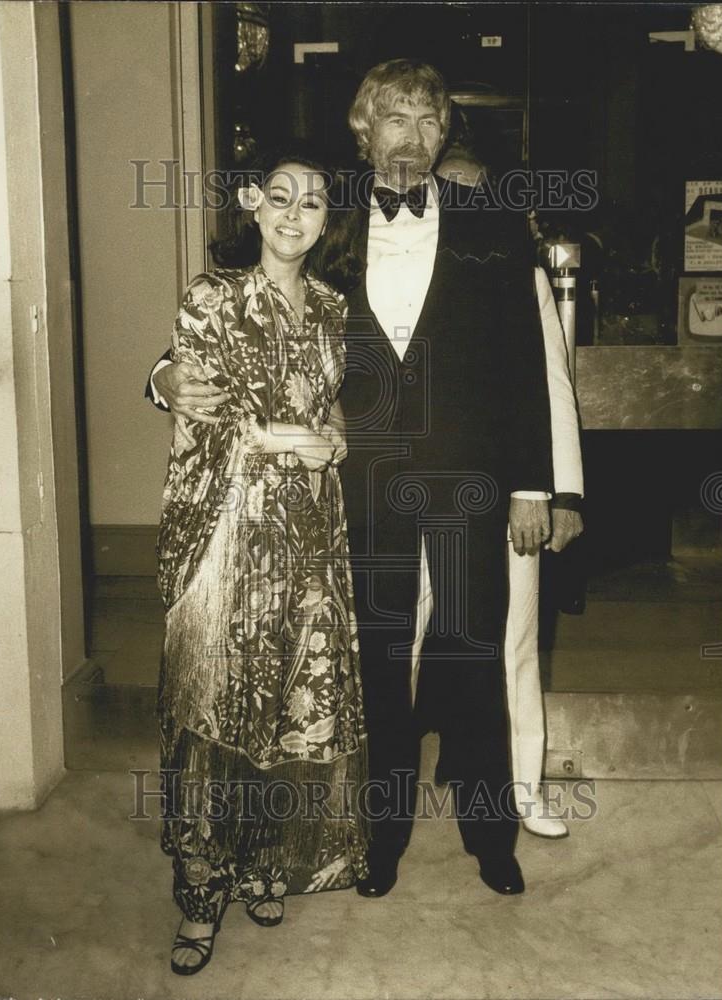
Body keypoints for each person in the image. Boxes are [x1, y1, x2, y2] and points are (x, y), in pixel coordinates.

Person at [150, 59, 553, 902]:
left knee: (475, 657)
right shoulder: (323, 223)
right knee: (372, 668)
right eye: (395, 120)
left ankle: (491, 835)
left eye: (429, 122)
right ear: (363, 132)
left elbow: (525, 361)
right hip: (356, 482)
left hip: (471, 478)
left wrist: (534, 486)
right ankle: (379, 841)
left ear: (446, 137)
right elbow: (240, 297)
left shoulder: (492, 220)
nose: (413, 138)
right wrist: (161, 376)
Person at [153, 149, 368, 976]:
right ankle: (202, 893)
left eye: (312, 203)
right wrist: (171, 384)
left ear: (325, 219)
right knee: (215, 705)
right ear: (253, 205)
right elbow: (191, 401)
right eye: (280, 198)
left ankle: (264, 862)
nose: (294, 214)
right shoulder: (212, 295)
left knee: (288, 698)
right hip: (228, 529)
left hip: (309, 534)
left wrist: (335, 434)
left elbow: (326, 403)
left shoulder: (328, 307)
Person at [434, 145, 585, 837]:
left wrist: (564, 495)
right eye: (448, 189)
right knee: (394, 641)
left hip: (506, 499)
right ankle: (378, 801)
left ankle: (524, 790)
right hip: (413, 495)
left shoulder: (516, 270)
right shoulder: (392, 264)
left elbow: (553, 385)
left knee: (512, 643)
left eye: (473, 191)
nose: (461, 203)